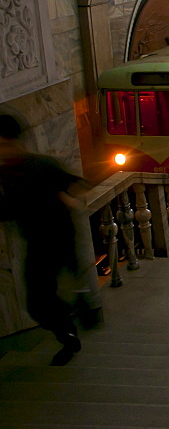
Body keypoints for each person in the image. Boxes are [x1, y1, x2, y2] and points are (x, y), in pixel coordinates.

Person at [0, 114, 95, 366]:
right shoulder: (5, 174)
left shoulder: (41, 165)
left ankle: (76, 315)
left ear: (14, 142)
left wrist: (69, 198)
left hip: (60, 236)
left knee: (53, 290)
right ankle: (69, 328)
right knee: (36, 303)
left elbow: (76, 184)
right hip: (34, 241)